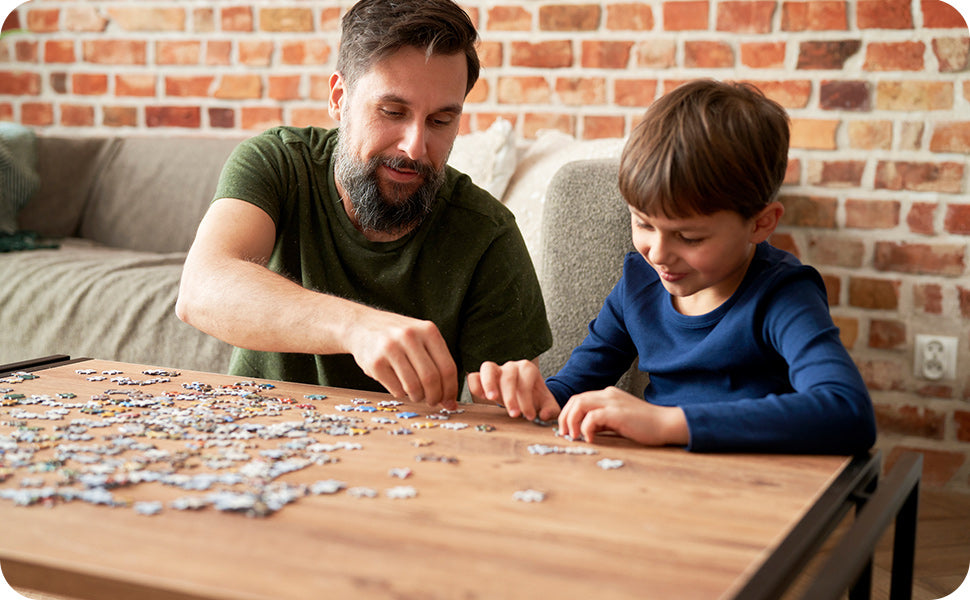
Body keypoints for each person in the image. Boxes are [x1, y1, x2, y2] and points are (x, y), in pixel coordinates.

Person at [176, 0, 551, 412]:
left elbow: (499, 421)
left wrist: (510, 398)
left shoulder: (487, 233)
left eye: (441, 121)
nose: (415, 146)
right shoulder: (277, 162)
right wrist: (357, 327)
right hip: (256, 439)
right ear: (339, 98)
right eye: (393, 111)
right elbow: (200, 289)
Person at [468, 79, 877, 454]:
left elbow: (847, 411)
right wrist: (525, 395)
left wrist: (666, 422)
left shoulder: (784, 294)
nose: (658, 253)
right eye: (643, 223)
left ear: (761, 223)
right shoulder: (638, 285)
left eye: (690, 237)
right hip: (658, 482)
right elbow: (573, 386)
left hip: (753, 488)